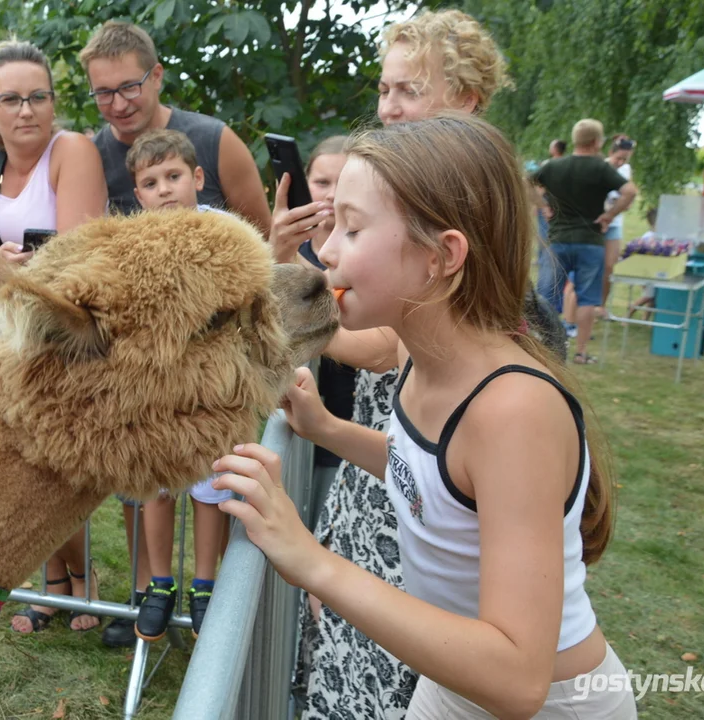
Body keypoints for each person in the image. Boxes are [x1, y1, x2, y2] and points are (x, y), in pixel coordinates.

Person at [214, 113, 636, 720]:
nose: (325, 251)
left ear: (442, 256)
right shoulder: (419, 349)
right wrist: (326, 429)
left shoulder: (513, 410)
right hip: (451, 687)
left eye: (352, 230)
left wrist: (309, 559)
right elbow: (435, 475)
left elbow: (520, 679)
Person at [285, 12, 512, 719]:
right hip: (392, 488)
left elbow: (394, 347)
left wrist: (299, 322)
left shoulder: (505, 398)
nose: (386, 108)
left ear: (467, 101)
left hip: (418, 552)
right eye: (383, 90)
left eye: (407, 91)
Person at [0, 39, 108, 633]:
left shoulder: (73, 150)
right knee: (14, 459)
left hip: (58, 331)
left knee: (56, 460)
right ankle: (49, 583)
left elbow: (80, 250)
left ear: (54, 104)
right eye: (11, 98)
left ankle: (83, 582)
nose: (26, 110)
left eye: (38, 96)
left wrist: (6, 270)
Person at [96, 128, 233, 642]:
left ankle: (205, 583)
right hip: (155, 383)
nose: (166, 190)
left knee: (209, 486)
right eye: (151, 183)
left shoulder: (223, 231)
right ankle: (159, 583)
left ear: (197, 178)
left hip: (211, 386)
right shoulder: (133, 240)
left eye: (174, 176)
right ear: (138, 194)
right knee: (155, 483)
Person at [79, 21, 271, 235]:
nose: (119, 105)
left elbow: (266, 241)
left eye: (129, 87)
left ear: (156, 76)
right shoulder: (89, 159)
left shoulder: (215, 140)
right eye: (104, 93)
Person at [266, 135, 356, 523]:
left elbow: (344, 322)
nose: (332, 196)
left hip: (348, 436)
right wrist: (277, 254)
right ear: (302, 182)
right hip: (298, 432)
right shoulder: (293, 249)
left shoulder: (365, 255)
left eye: (346, 184)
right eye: (321, 183)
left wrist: (283, 260)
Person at [533, 119, 637, 365]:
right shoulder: (600, 168)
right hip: (590, 241)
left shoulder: (554, 166)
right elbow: (630, 191)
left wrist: (544, 206)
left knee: (547, 296)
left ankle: (544, 350)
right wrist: (610, 216)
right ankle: (580, 353)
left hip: (557, 239)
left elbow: (525, 183)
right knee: (587, 298)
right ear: (597, 142)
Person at [601, 135, 635, 311]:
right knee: (590, 268)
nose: (621, 162)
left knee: (610, 266)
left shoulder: (626, 169)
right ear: (610, 153)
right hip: (598, 223)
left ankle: (602, 305)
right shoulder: (601, 167)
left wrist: (623, 204)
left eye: (625, 158)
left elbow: (629, 194)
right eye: (618, 158)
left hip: (615, 223)